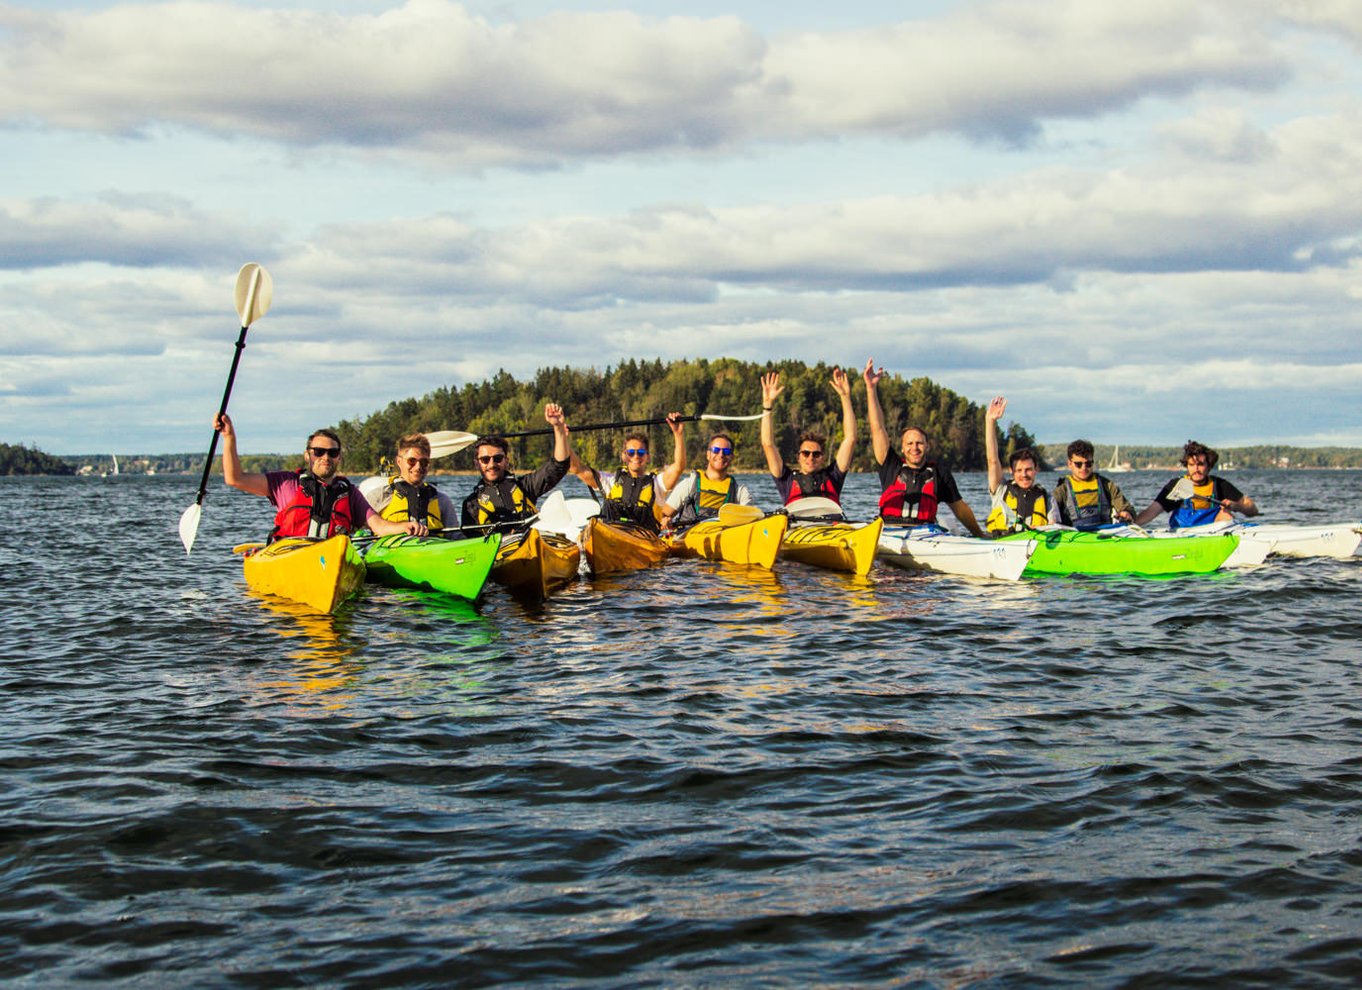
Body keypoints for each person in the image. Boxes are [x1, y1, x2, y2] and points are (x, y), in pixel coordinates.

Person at [213, 413, 424, 541]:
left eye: (332, 453)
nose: (325, 457)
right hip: (292, 555)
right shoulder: (286, 483)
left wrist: (404, 527)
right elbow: (235, 478)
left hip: (330, 560)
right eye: (319, 452)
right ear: (308, 455)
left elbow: (378, 525)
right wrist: (229, 436)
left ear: (339, 457)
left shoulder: (349, 493)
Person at [863, 358, 985, 537]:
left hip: (925, 535)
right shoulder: (891, 466)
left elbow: (960, 509)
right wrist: (871, 389)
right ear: (903, 448)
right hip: (890, 533)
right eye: (910, 444)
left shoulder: (939, 474)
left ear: (927, 446)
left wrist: (980, 536)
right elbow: (877, 427)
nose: (915, 448)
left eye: (919, 443)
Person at [461, 403, 572, 532]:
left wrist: (558, 428)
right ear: (477, 464)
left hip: (531, 547)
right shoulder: (471, 504)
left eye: (498, 459)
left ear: (506, 461)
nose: (491, 465)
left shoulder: (525, 486)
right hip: (500, 550)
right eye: (485, 460)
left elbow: (559, 466)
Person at [567, 414, 687, 531]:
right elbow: (577, 469)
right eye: (631, 452)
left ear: (648, 457)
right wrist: (561, 435)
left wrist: (678, 434)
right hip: (612, 537)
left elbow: (678, 467)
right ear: (624, 456)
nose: (635, 456)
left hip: (644, 541)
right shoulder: (611, 482)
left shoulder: (657, 484)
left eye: (640, 453)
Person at [759, 368, 856, 506]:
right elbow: (767, 443)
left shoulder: (833, 476)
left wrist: (845, 397)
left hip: (828, 526)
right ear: (799, 457)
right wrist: (767, 405)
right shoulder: (785, 479)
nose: (811, 458)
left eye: (816, 454)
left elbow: (850, 438)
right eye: (806, 453)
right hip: (798, 527)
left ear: (822, 457)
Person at [1134, 440, 1259, 529]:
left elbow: (1252, 510)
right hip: (1183, 534)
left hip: (1212, 534)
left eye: (1200, 464)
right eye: (1191, 465)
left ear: (1209, 466)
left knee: (1226, 515)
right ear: (1186, 466)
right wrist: (1131, 526)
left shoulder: (1219, 485)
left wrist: (1236, 505)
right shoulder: (1176, 486)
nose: (1196, 469)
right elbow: (1151, 512)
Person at [360, 433, 458, 533]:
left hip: (433, 545)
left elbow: (456, 538)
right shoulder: (380, 496)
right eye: (412, 461)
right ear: (399, 461)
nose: (418, 467)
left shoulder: (442, 501)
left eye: (424, 462)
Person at [983, 396, 1049, 536]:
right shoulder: (1000, 490)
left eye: (1028, 470)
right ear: (1011, 472)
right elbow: (992, 459)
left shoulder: (1046, 497)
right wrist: (990, 421)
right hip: (1002, 544)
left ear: (1036, 470)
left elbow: (1054, 522)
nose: (1024, 474)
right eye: (1019, 470)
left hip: (1035, 544)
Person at [661, 431, 756, 527]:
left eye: (726, 452)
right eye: (716, 450)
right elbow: (662, 516)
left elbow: (751, 524)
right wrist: (666, 520)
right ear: (708, 454)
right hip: (688, 537)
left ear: (732, 457)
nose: (721, 455)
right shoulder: (688, 485)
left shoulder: (740, 492)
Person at [1050, 439, 1135, 530]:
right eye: (1078, 464)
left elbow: (1125, 507)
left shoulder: (1107, 485)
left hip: (1105, 535)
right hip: (1074, 538)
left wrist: (1126, 513)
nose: (1084, 468)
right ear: (1070, 464)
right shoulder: (1062, 490)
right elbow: (1051, 513)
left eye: (1088, 464)